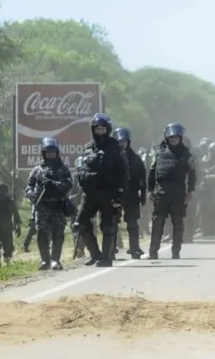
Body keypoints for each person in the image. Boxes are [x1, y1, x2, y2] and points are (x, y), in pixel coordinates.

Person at [74, 113, 129, 267]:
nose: (100, 131)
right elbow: (80, 167)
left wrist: (120, 194)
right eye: (97, 129)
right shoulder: (87, 148)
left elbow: (123, 173)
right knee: (80, 224)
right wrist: (83, 176)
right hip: (89, 193)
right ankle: (95, 254)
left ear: (108, 129)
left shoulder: (116, 147)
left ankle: (106, 258)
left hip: (108, 192)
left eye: (103, 128)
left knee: (108, 225)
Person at [147, 123, 197, 259]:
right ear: (167, 138)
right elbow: (152, 171)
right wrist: (150, 190)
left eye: (176, 137)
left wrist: (190, 191)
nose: (173, 140)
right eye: (171, 137)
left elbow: (192, 173)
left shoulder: (186, 154)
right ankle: (153, 252)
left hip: (178, 194)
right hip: (160, 193)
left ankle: (176, 252)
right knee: (157, 223)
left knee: (178, 224)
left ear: (180, 138)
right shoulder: (159, 152)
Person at [25, 137, 75, 270]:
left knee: (58, 233)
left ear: (57, 153)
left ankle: (55, 260)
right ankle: (44, 260)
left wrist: (54, 184)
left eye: (53, 152)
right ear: (44, 153)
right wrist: (32, 195)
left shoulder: (63, 169)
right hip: (42, 206)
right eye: (48, 152)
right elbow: (29, 186)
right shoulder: (37, 170)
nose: (51, 155)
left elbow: (69, 184)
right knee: (42, 233)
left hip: (58, 205)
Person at [114, 127, 147, 259]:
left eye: (124, 141)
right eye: (119, 141)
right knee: (112, 222)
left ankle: (134, 248)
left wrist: (143, 194)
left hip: (132, 194)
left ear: (128, 141)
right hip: (115, 194)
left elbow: (142, 177)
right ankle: (111, 248)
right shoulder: (111, 157)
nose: (122, 143)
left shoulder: (135, 158)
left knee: (132, 222)